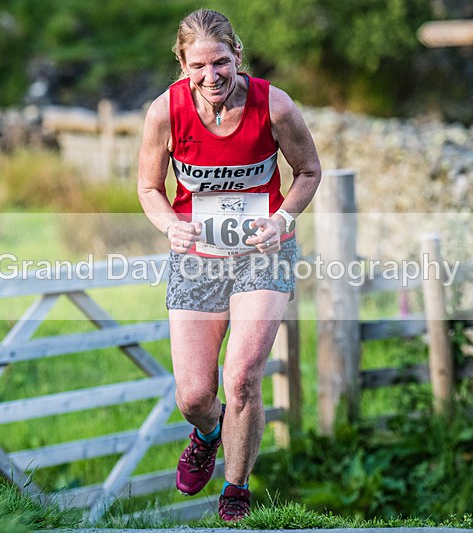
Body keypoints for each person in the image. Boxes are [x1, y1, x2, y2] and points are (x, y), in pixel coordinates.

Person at [137, 9, 321, 522]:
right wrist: (168, 225)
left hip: (264, 251)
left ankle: (236, 492)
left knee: (240, 377)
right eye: (198, 66)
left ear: (237, 55)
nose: (211, 76)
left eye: (221, 62)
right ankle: (208, 432)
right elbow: (149, 188)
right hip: (197, 257)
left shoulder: (275, 105)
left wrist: (283, 220)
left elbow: (308, 170)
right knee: (195, 394)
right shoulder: (164, 112)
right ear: (182, 64)